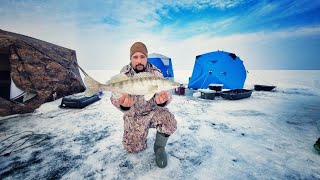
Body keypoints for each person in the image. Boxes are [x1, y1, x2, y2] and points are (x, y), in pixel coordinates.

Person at [110, 42, 177, 168]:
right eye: (135, 57)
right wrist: (123, 105)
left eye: (142, 56)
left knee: (169, 121)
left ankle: (159, 148)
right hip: (134, 115)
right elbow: (114, 97)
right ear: (130, 59)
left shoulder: (155, 73)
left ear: (147, 58)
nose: (139, 61)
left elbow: (167, 93)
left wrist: (163, 101)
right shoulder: (124, 74)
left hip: (153, 112)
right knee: (133, 148)